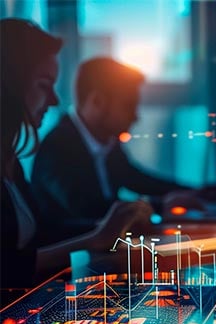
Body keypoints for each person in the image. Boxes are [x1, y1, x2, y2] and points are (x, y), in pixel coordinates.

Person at [0, 19, 150, 303]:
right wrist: (94, 238)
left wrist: (103, 231)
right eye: (44, 86)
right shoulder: (57, 148)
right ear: (8, 88)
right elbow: (7, 267)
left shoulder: (11, 162)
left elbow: (44, 233)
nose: (55, 100)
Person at [31, 57, 216, 244]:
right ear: (97, 101)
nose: (135, 117)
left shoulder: (106, 142)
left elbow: (137, 179)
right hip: (66, 267)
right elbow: (88, 208)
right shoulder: (57, 147)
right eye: (128, 106)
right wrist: (159, 205)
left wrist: (195, 193)